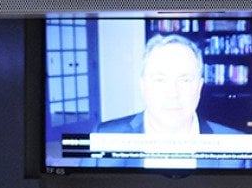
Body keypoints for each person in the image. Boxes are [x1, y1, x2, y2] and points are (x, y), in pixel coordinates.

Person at [94, 34, 240, 135]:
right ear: (143, 86)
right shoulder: (105, 136)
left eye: (185, 80)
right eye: (160, 80)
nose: (173, 93)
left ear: (199, 87)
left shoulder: (237, 146)